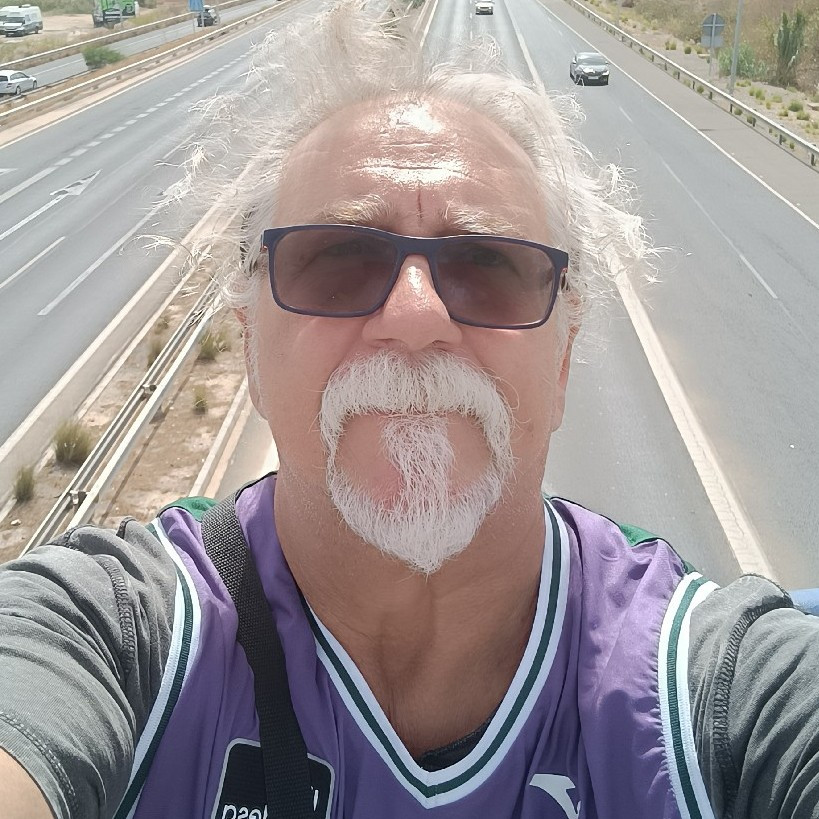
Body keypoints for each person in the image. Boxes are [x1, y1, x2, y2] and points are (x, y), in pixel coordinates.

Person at [1, 2, 818, 817]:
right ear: (249, 345)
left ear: (563, 356)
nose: (417, 318)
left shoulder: (715, 691)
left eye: (488, 266)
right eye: (338, 261)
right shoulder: (113, 635)